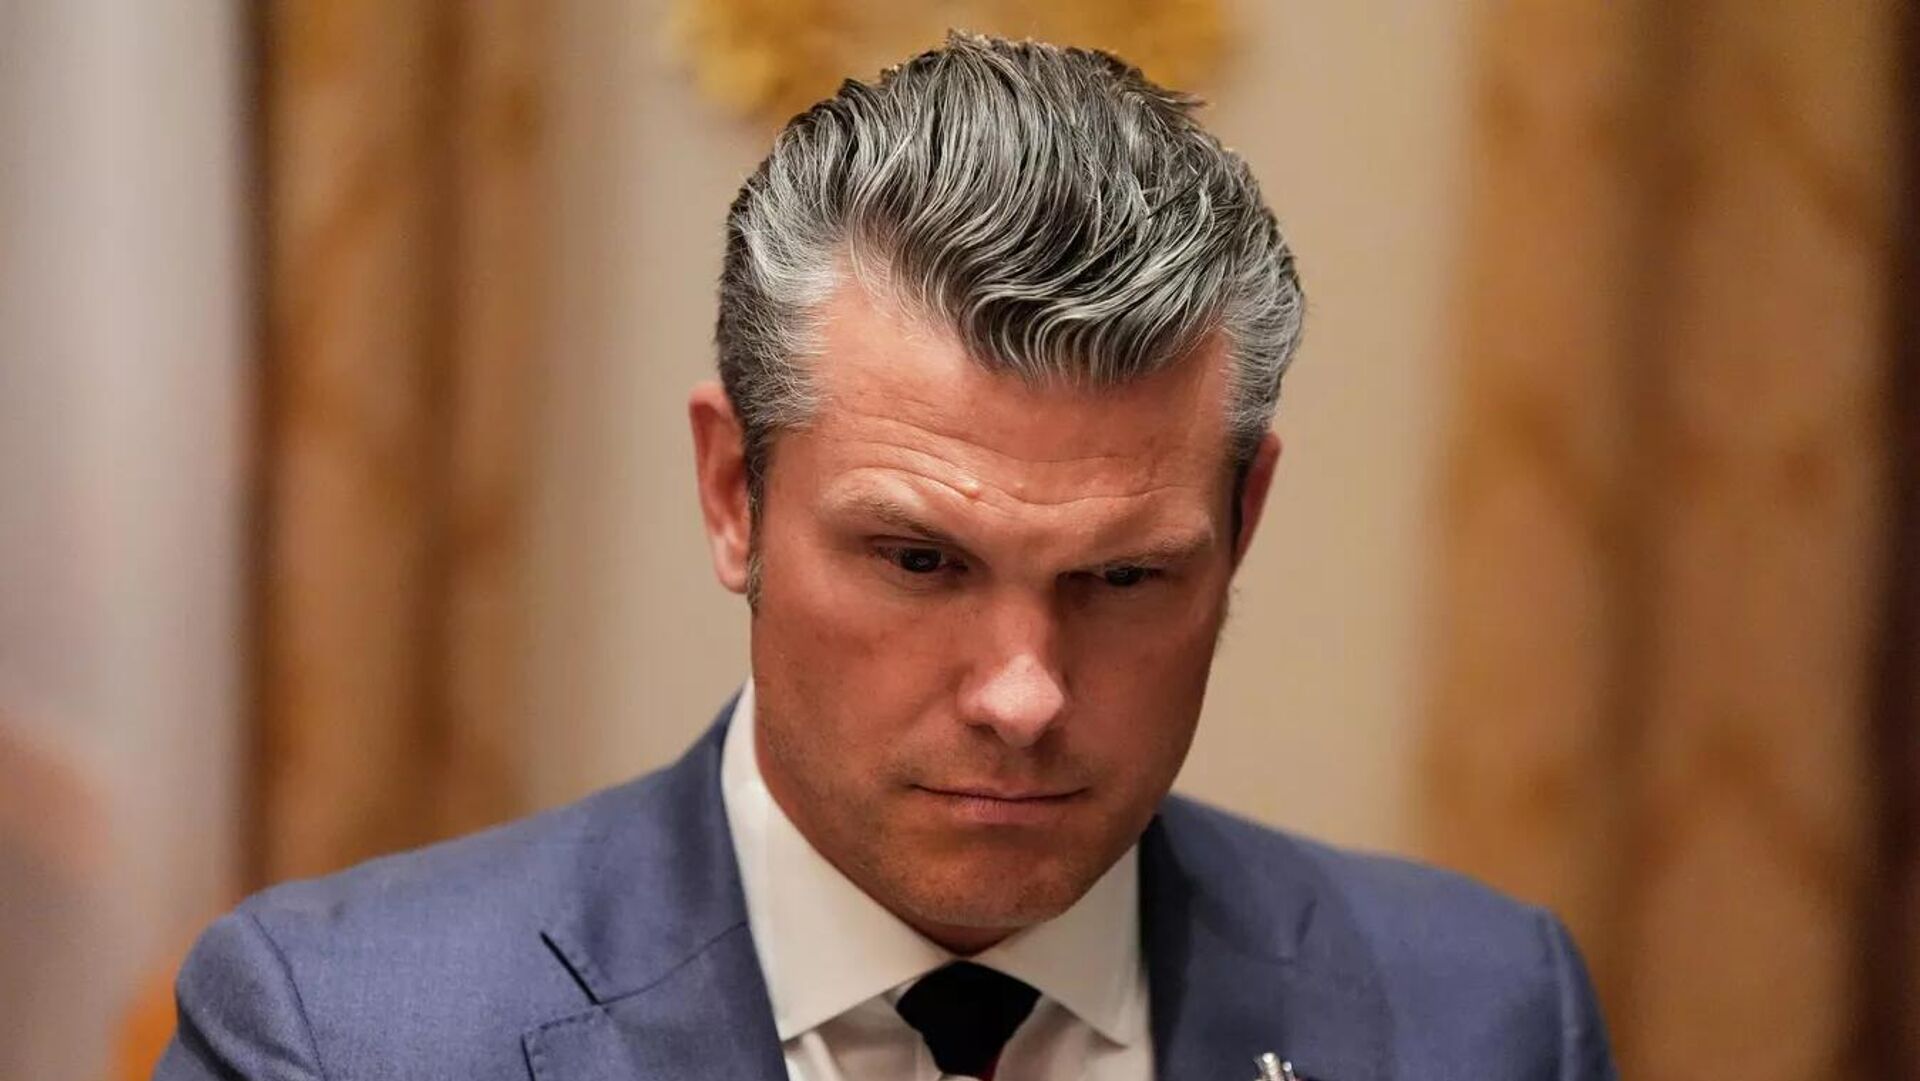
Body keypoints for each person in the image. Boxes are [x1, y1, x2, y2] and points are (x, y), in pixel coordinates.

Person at [157, 33, 1615, 1081]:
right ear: (734, 494)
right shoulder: (343, 1034)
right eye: (920, 561)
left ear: (1244, 525)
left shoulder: (1485, 1019)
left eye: (1122, 579)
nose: (1023, 696)